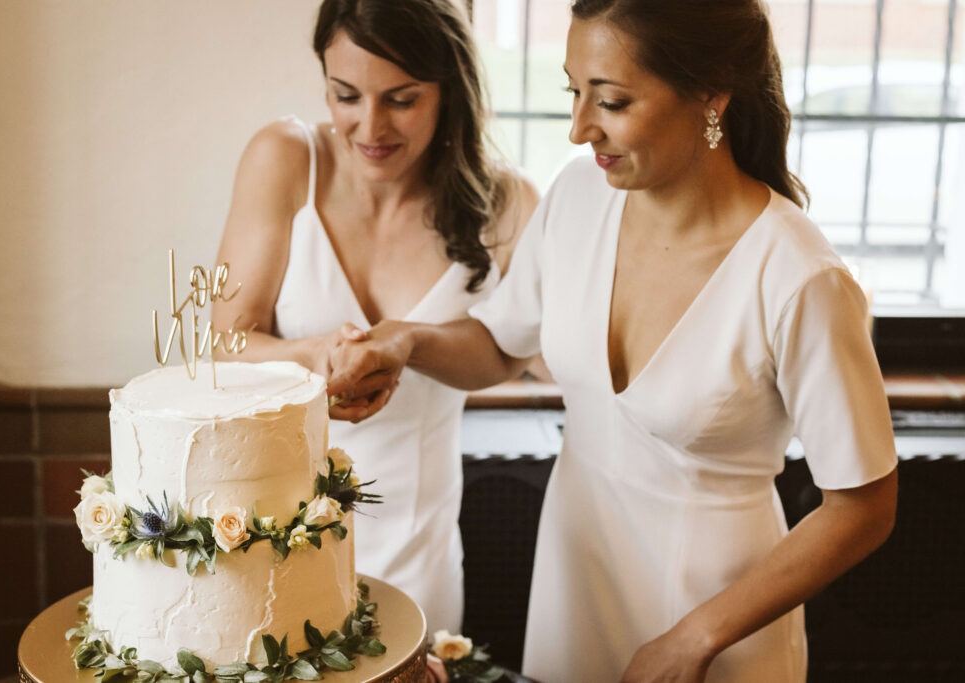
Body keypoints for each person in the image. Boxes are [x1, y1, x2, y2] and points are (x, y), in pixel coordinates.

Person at [326, 0, 899, 681]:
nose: (577, 129)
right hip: (575, 586)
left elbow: (864, 505)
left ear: (711, 89)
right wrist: (404, 342)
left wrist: (696, 637)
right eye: (574, 92)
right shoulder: (577, 199)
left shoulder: (800, 276)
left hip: (721, 620)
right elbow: (499, 344)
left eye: (613, 101)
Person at [211, 0, 538, 638]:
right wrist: (311, 356)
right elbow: (223, 344)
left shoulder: (507, 201)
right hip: (269, 534)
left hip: (419, 543)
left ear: (450, 88)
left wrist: (408, 343)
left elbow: (507, 355)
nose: (370, 126)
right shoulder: (285, 158)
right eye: (346, 95)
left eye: (402, 98)